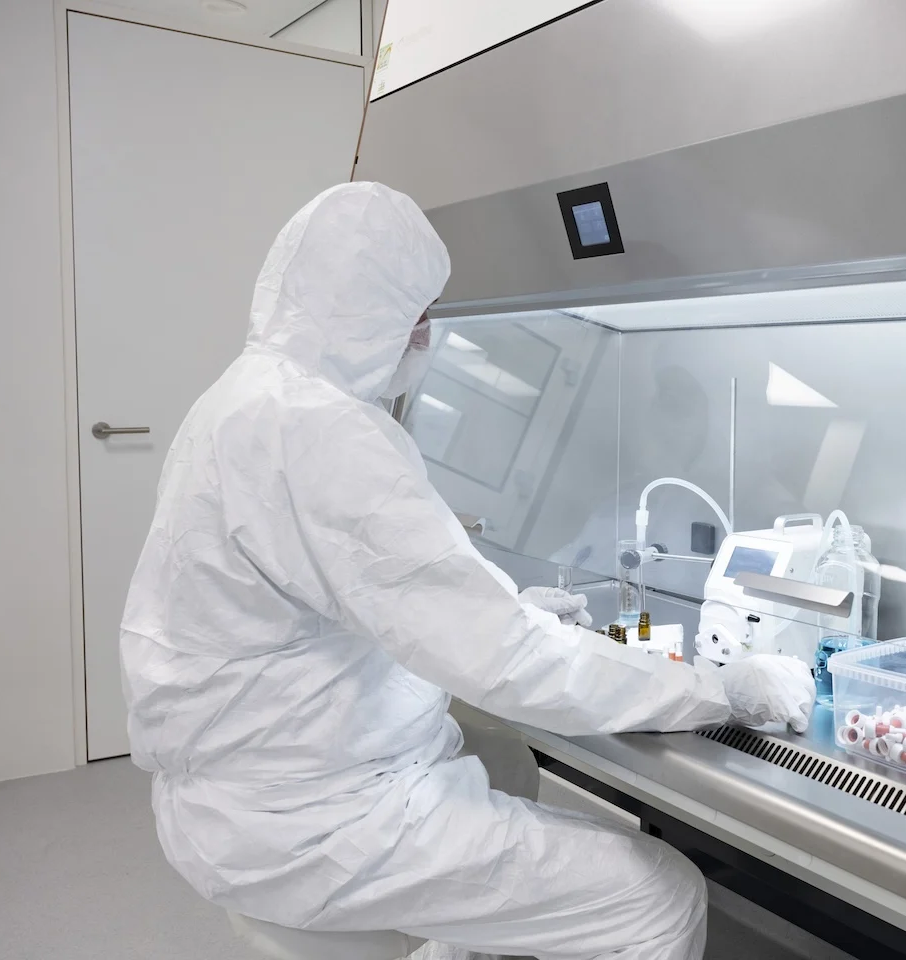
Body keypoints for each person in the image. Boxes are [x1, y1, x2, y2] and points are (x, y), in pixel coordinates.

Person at [119, 182, 815, 960]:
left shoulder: (244, 399)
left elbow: (353, 592)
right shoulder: (321, 432)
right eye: (422, 315)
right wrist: (718, 690)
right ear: (380, 315)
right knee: (654, 897)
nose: (428, 335)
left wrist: (509, 603)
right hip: (316, 821)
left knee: (504, 764)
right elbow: (505, 659)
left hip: (245, 798)